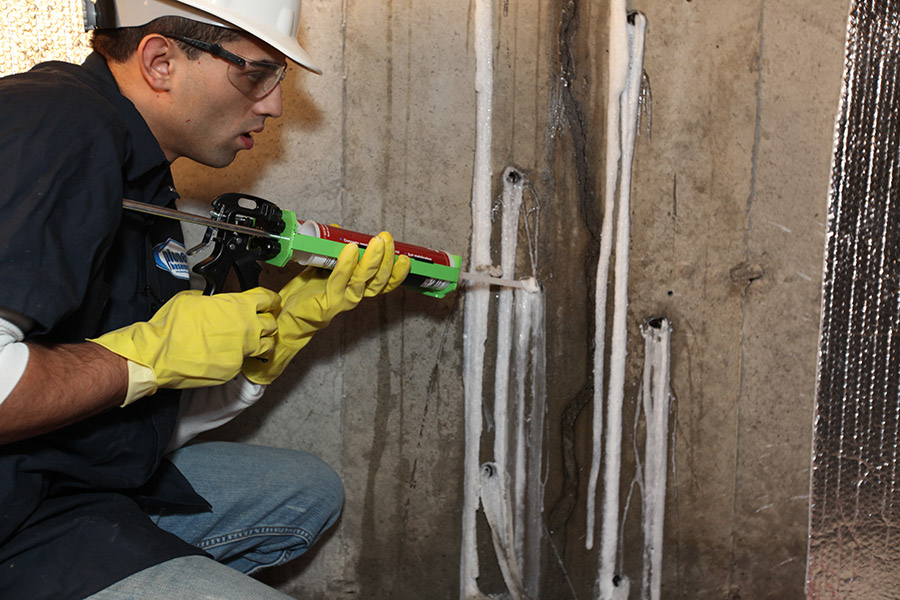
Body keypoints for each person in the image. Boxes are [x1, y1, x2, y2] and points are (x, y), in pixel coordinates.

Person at [0, 0, 411, 598]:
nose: (272, 104)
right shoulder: (56, 128)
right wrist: (146, 356)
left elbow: (138, 406)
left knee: (305, 492)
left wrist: (271, 343)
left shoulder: (141, 168)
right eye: (255, 73)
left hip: (66, 483)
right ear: (161, 61)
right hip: (17, 524)